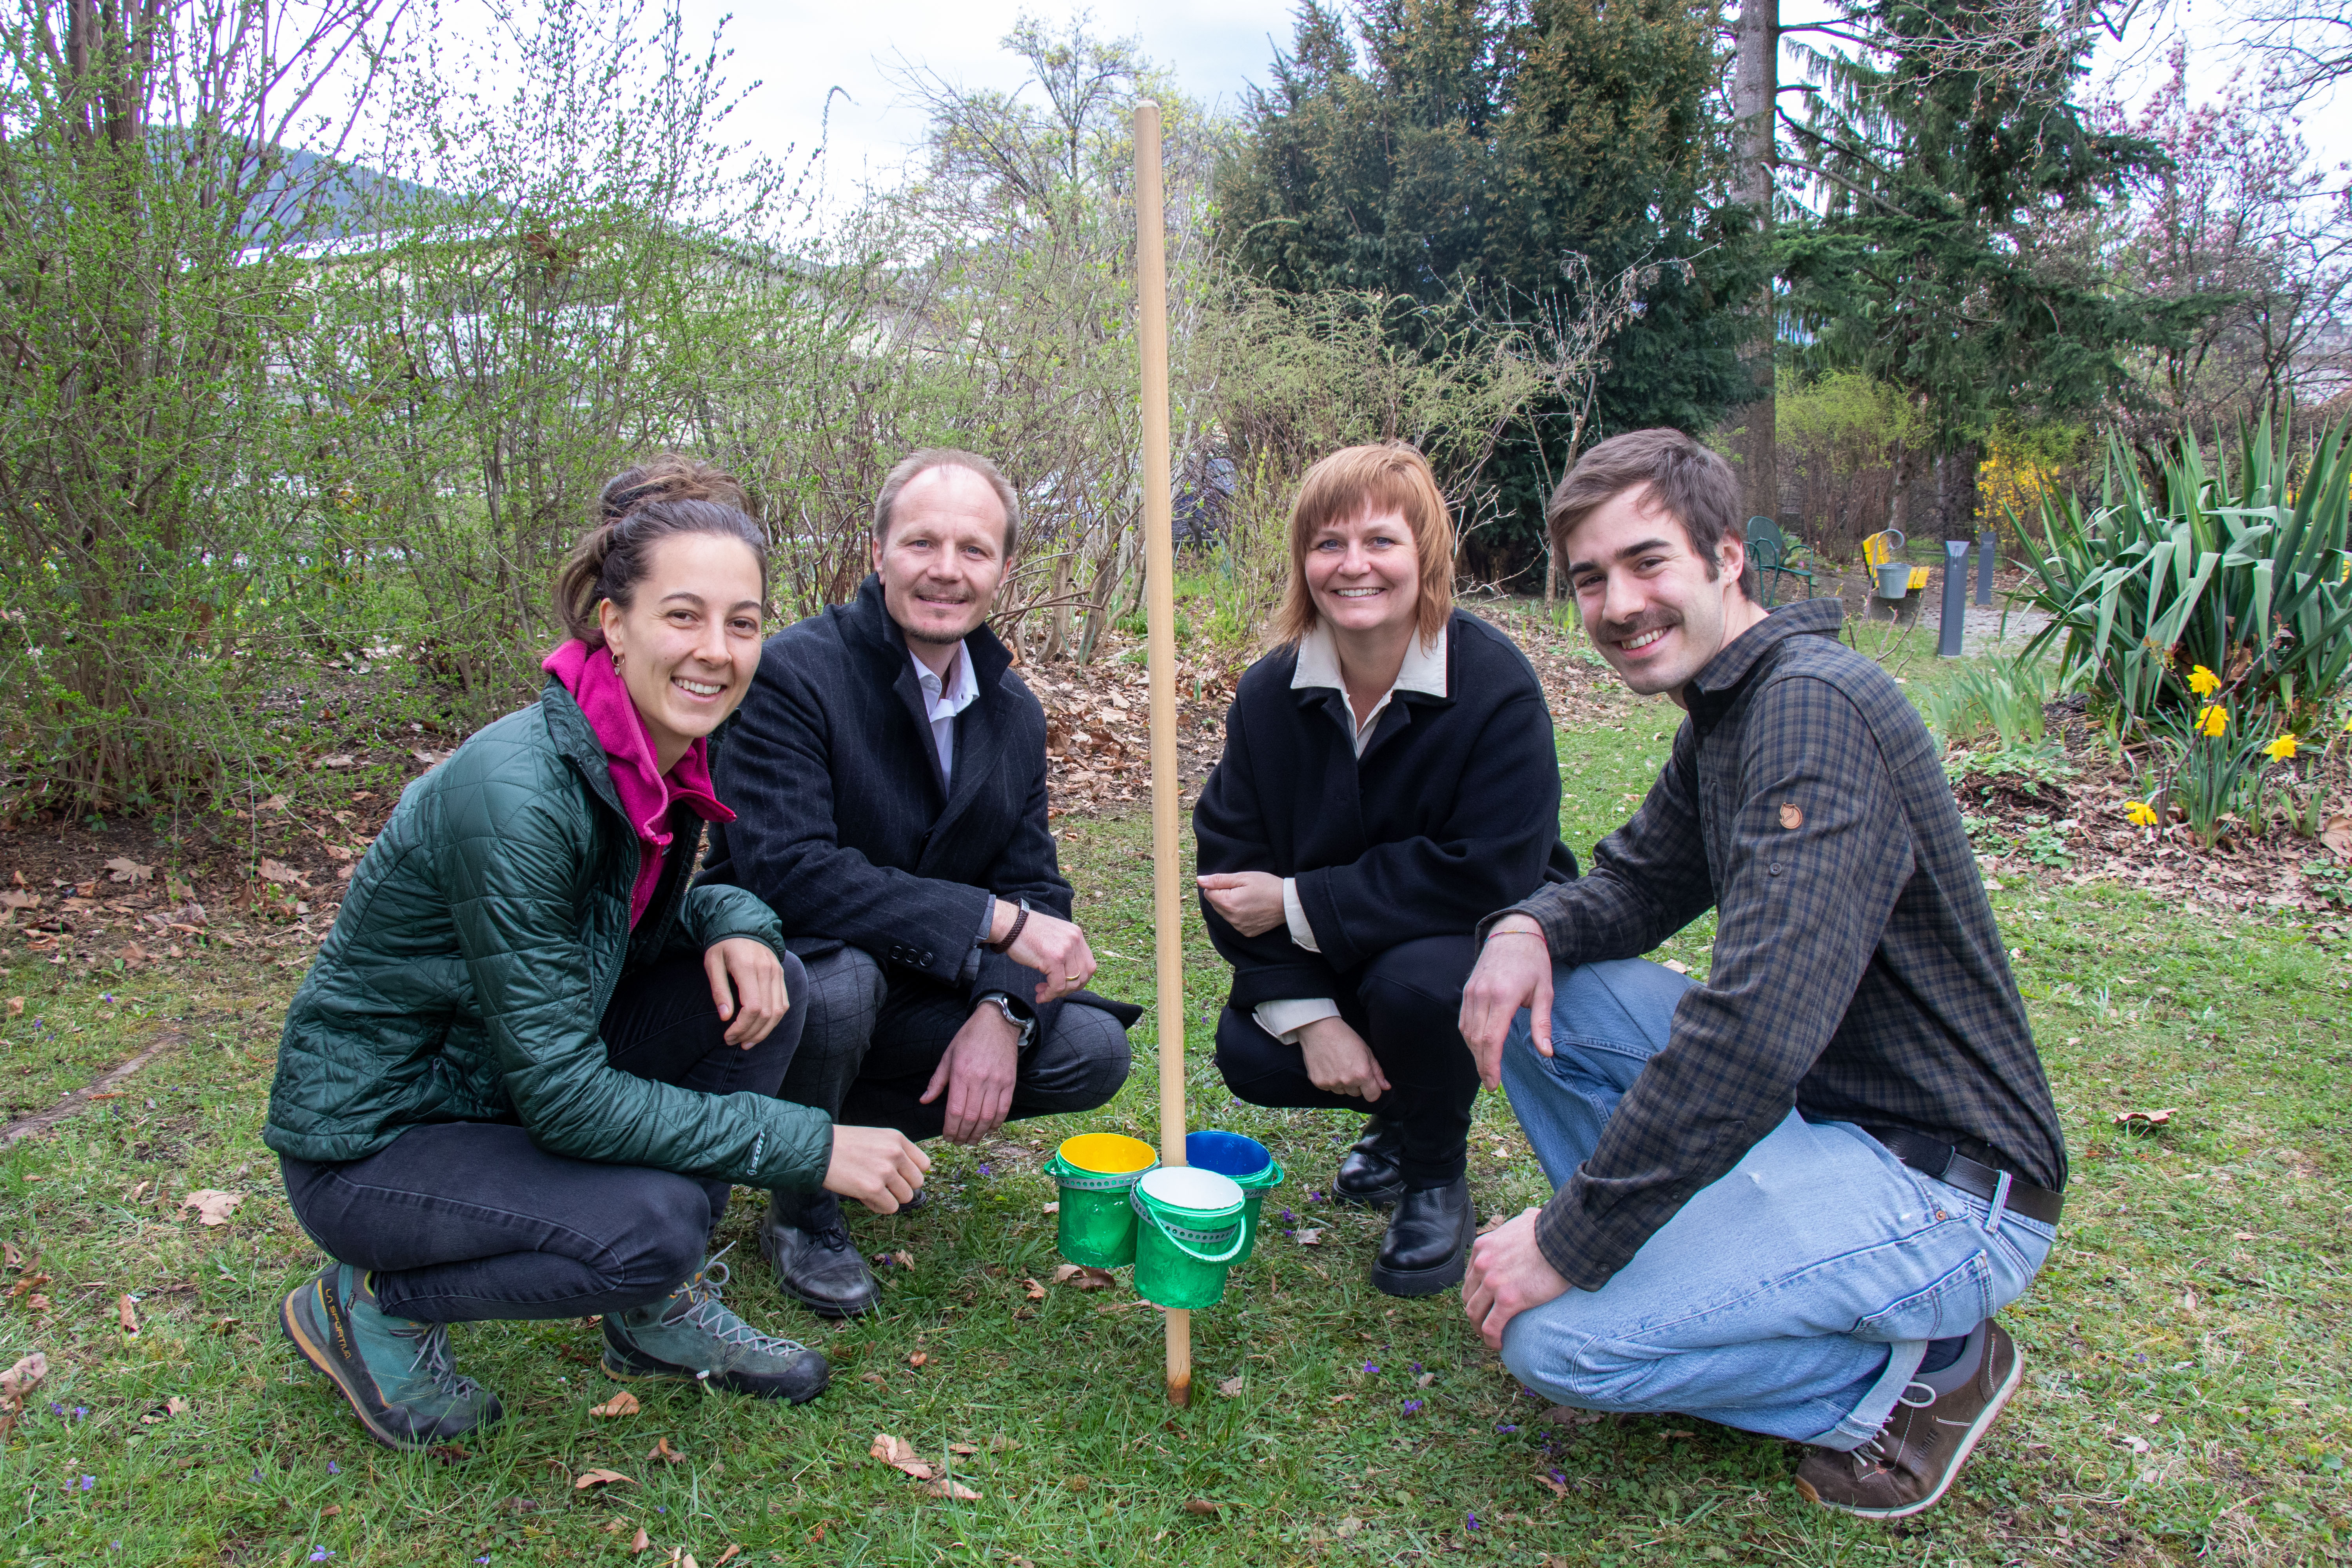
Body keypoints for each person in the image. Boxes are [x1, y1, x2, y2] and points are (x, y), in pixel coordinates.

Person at [1455, 429, 2066, 1519]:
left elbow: (1754, 1030)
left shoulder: (1811, 710)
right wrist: (1524, 930)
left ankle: (1902, 1381)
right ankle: (1695, 1269)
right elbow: (1636, 888)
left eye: (1649, 563)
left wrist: (1570, 1237)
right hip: (1824, 1124)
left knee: (1558, 1346)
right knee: (1556, 996)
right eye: (1591, 579)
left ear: (1728, 557)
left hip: (1943, 1186)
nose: (1617, 604)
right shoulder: (1732, 709)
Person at [264, 457, 931, 1451]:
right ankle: (374, 1303)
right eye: (683, 615)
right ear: (612, 623)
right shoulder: (520, 794)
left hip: (489, 1084)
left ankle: (657, 1311)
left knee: (770, 983)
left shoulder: (647, 755)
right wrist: (812, 1143)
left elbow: (628, 934)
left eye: (742, 623)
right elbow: (566, 1096)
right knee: (649, 1224)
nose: (716, 650)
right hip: (378, 1140)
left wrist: (734, 917)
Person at [702, 447, 1138, 1320]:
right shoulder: (790, 674)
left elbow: (1035, 882)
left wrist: (1002, 1011)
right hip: (790, 984)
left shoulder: (1011, 709)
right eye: (922, 543)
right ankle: (801, 1196)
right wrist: (993, 922)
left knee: (1093, 1050)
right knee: (839, 988)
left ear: (1005, 569)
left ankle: (871, 1140)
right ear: (878, 553)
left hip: (921, 985)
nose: (947, 570)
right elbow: (789, 872)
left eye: (974, 550)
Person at [1192, 443, 1576, 1296]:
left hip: (1468, 942)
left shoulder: (1493, 685)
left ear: (1426, 554)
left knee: (1412, 990)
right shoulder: (1268, 695)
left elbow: (1493, 869)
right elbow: (1229, 868)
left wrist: (1297, 901)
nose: (1353, 564)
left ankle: (1436, 1171)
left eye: (1380, 541)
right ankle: (1403, 1111)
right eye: (1329, 543)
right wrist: (1313, 1015)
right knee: (1251, 1051)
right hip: (1346, 952)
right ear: (1303, 562)